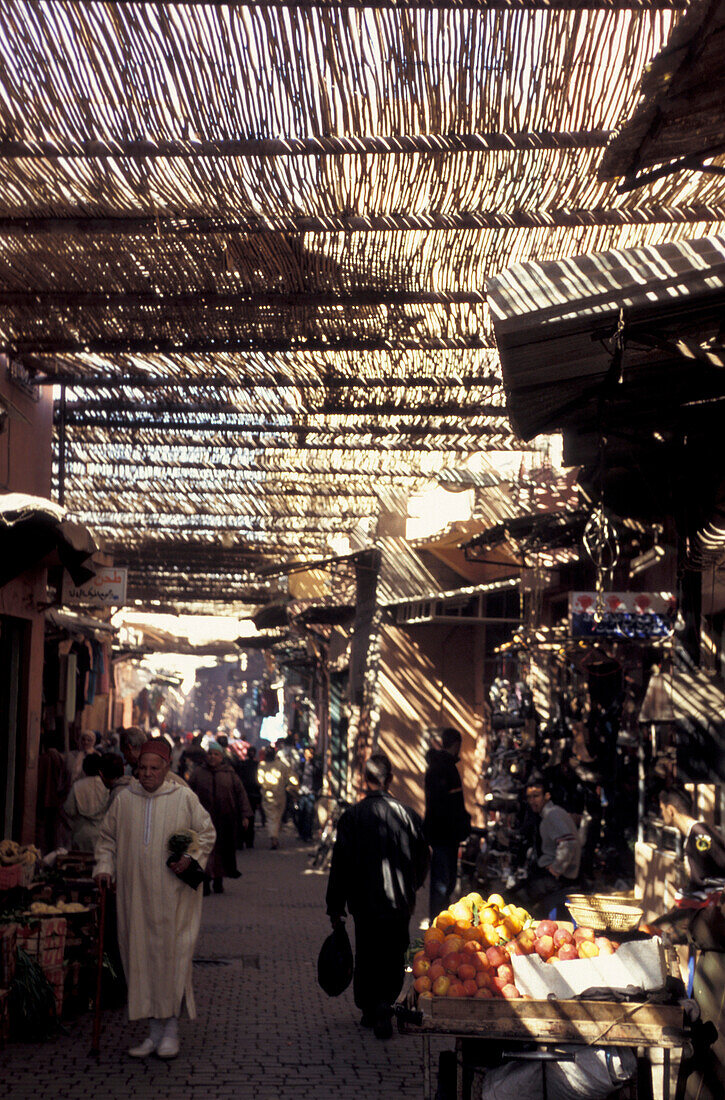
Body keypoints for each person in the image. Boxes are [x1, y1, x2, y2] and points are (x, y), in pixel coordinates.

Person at [93, 738, 216, 1060]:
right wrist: (104, 867)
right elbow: (106, 839)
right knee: (139, 959)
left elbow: (206, 833)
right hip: (134, 898)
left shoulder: (183, 798)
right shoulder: (124, 800)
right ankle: (153, 1032)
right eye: (142, 768)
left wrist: (189, 857)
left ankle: (171, 1029)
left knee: (171, 959)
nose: (147, 774)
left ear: (166, 769)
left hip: (173, 898)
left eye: (154, 768)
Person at [326, 751, 429, 1040]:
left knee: (368, 952)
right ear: (390, 779)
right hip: (399, 902)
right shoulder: (409, 816)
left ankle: (372, 1007)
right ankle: (385, 1002)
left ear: (365, 779)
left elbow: (341, 865)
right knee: (395, 952)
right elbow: (423, 859)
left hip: (364, 903)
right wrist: (412, 886)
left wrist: (335, 906)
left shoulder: (353, 816)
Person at [647, 788, 725, 1100]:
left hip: (714, 932)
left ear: (668, 809)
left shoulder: (701, 835)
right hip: (702, 929)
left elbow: (714, 880)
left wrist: (671, 920)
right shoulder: (692, 839)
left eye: (661, 808)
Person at [189, 741, 252, 895]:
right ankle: (205, 881)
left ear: (221, 757)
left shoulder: (229, 774)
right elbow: (188, 794)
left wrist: (245, 815)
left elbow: (241, 795)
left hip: (225, 821)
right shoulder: (198, 773)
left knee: (222, 853)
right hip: (203, 822)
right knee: (204, 853)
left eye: (216, 754)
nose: (212, 757)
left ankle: (218, 880)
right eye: (210, 754)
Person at [424, 728, 471, 921]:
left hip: (440, 834)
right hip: (446, 835)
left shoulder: (435, 767)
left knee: (444, 883)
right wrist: (462, 825)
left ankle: (439, 923)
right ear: (457, 744)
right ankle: (438, 924)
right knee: (443, 884)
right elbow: (452, 806)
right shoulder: (446, 769)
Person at [521, 775, 581, 919]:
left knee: (521, 900)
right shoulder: (549, 814)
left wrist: (555, 870)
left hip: (559, 879)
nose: (532, 801)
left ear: (547, 796)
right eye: (529, 797)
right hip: (555, 875)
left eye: (536, 796)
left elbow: (568, 843)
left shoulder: (552, 815)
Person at [63, 755, 110, 852]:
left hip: (81, 834)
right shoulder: (106, 786)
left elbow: (69, 809)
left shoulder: (77, 786)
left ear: (84, 769)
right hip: (103, 833)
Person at [258, 744, 297, 849]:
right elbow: (291, 776)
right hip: (280, 795)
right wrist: (293, 786)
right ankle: (274, 837)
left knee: (272, 817)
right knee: (276, 816)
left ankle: (273, 837)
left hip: (268, 795)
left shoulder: (262, 765)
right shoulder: (281, 765)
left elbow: (260, 780)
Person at [235, 745, 262, 848]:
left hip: (246, 794)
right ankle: (249, 842)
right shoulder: (257, 765)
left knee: (243, 817)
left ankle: (242, 841)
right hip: (252, 795)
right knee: (251, 817)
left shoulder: (242, 765)